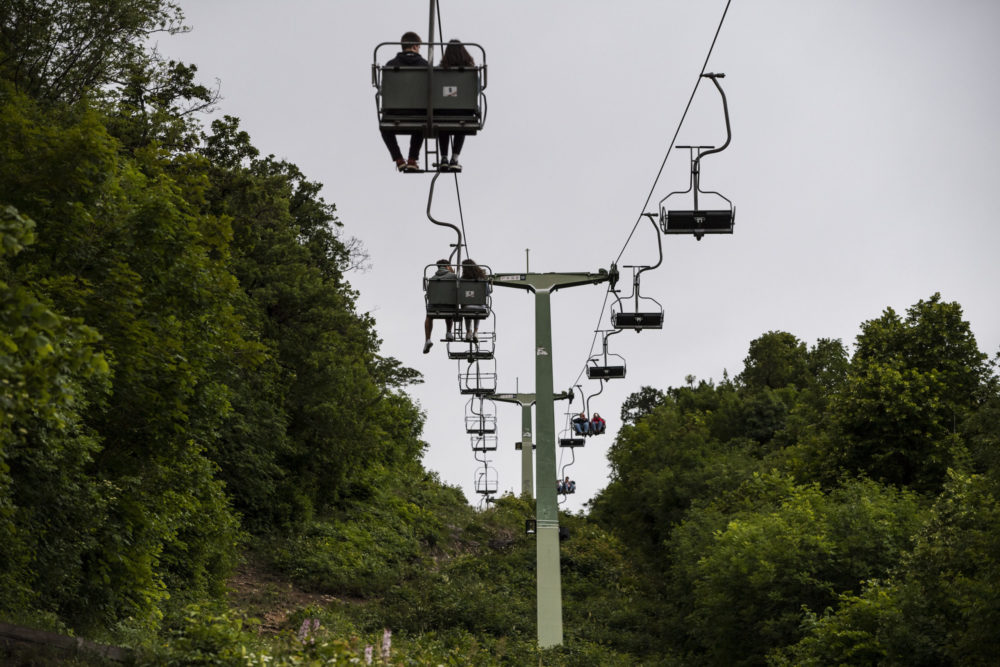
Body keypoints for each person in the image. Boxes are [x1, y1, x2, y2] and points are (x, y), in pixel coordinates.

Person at [381, 31, 428, 172]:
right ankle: (412, 159)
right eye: (419, 47)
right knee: (422, 124)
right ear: (415, 46)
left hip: (394, 112)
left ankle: (398, 159)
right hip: (419, 112)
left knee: (384, 127)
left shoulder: (390, 65)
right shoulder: (426, 65)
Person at [437, 40, 475, 172]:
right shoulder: (471, 73)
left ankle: (444, 158)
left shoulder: (438, 72)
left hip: (442, 110)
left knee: (443, 123)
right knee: (461, 123)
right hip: (463, 111)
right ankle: (454, 158)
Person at [424, 259, 457, 353]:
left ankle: (428, 339)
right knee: (449, 310)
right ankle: (449, 332)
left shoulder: (432, 279)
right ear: (448, 266)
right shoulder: (453, 277)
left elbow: (429, 295)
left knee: (429, 316)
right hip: (449, 306)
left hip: (434, 307)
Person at [459, 258, 489, 341]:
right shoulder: (482, 279)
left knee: (467, 309)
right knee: (477, 310)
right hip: (480, 307)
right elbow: (487, 292)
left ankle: (468, 332)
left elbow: (459, 293)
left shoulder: (462, 280)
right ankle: (476, 332)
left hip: (467, 307)